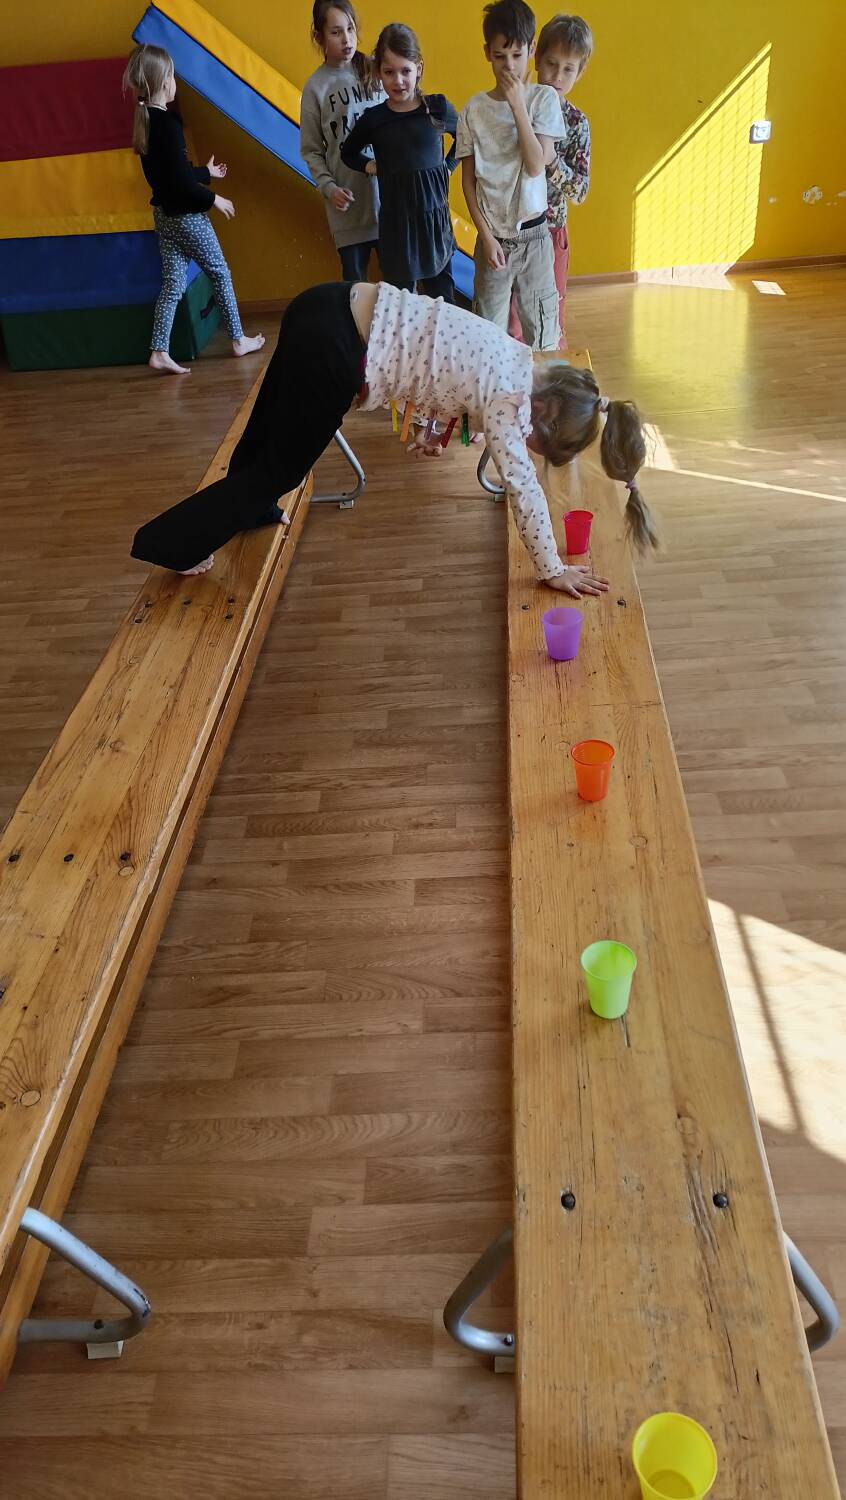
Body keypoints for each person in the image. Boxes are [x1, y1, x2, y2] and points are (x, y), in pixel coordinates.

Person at [130, 281, 656, 583]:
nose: (526, 449)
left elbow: (438, 360)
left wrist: (431, 428)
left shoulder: (514, 357)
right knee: (282, 469)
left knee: (271, 421)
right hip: (336, 350)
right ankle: (172, 544)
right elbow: (523, 489)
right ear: (540, 412)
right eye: (538, 445)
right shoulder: (510, 401)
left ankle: (253, 509)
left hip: (325, 304)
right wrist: (552, 568)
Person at [122, 44, 264, 375]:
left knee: (173, 284)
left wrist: (205, 173)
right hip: (186, 218)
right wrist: (214, 199)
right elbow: (182, 185)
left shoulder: (146, 121)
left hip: (164, 216)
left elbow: (173, 176)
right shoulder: (169, 125)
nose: (175, 82)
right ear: (163, 82)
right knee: (220, 271)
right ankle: (238, 339)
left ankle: (159, 350)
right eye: (172, 76)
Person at [456, 0, 562, 349]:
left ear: (532, 49)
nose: (509, 65)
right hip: (493, 241)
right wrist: (486, 238)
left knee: (543, 339)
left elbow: (535, 165)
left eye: (517, 55)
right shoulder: (473, 110)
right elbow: (468, 182)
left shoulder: (543, 99)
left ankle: (541, 389)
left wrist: (518, 105)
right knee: (488, 340)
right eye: (500, 56)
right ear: (487, 52)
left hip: (535, 239)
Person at [340, 23, 458, 302]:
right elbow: (348, 152)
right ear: (378, 72)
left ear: (419, 68)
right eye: (389, 72)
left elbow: (466, 139)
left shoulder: (436, 108)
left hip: (434, 226)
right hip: (397, 230)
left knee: (444, 302)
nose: (398, 80)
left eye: (405, 71)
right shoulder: (374, 119)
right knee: (399, 304)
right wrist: (369, 166)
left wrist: (447, 167)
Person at [508, 13, 592, 348]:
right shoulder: (516, 108)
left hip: (552, 230)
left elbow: (580, 192)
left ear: (580, 72)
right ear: (536, 58)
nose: (557, 76)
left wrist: (552, 161)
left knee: (549, 318)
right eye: (551, 64)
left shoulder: (576, 123)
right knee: (513, 318)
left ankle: (552, 376)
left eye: (568, 69)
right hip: (513, 229)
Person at [300, 0, 382, 282]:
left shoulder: (377, 71)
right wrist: (329, 187)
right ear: (319, 37)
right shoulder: (315, 88)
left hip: (388, 206)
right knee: (355, 290)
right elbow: (311, 150)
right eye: (336, 32)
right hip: (348, 211)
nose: (347, 39)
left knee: (399, 289)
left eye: (350, 29)